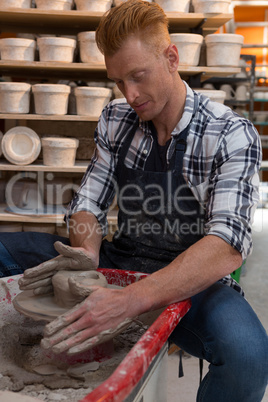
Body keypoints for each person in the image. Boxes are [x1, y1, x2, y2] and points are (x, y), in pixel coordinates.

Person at [1, 0, 268, 399]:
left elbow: (227, 247)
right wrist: (86, 256)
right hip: (121, 261)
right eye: (119, 81)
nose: (130, 93)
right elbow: (88, 202)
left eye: (138, 76)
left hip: (190, 280)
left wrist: (128, 302)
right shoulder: (116, 118)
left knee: (249, 357)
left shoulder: (230, 133)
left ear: (172, 57)